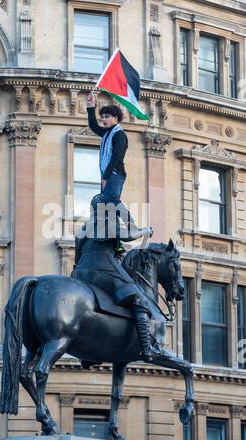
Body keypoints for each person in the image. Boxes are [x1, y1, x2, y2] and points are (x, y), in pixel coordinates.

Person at [71, 193, 155, 361]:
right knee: (139, 299)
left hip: (80, 274)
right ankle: (147, 348)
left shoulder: (83, 229)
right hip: (102, 268)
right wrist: (145, 230)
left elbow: (78, 256)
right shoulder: (107, 223)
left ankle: (88, 355)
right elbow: (129, 235)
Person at [86, 92, 142, 238]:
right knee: (107, 206)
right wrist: (91, 107)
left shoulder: (119, 135)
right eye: (102, 117)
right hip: (109, 174)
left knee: (112, 200)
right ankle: (115, 241)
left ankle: (132, 226)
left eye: (107, 117)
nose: (103, 120)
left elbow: (117, 156)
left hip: (115, 174)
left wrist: (105, 176)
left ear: (115, 118)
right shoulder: (106, 134)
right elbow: (93, 125)